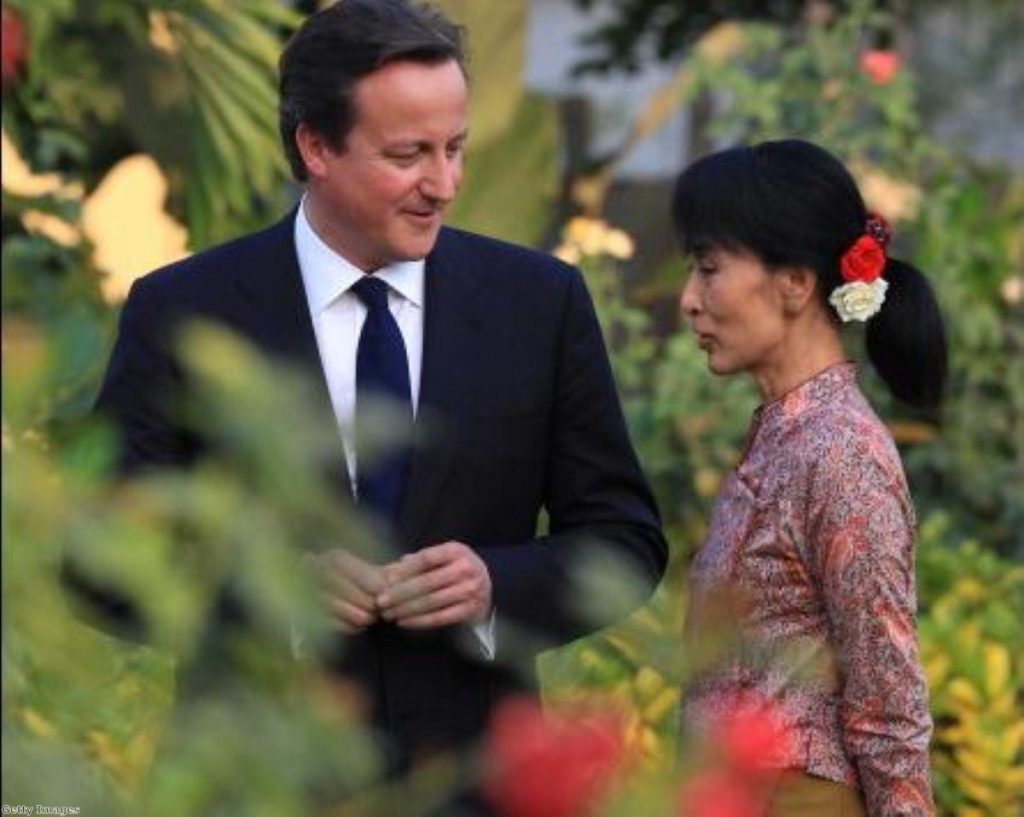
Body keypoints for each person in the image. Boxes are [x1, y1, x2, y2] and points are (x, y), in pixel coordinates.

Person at [86, 0, 667, 781]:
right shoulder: (184, 309)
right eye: (409, 154)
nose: (446, 182)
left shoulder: (540, 302)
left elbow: (623, 542)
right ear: (316, 145)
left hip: (474, 783)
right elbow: (99, 563)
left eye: (455, 147)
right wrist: (266, 592)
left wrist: (497, 583)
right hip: (251, 783)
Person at [674, 140, 942, 817]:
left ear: (795, 282)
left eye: (708, 269)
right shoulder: (782, 436)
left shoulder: (844, 456)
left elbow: (889, 702)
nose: (688, 300)